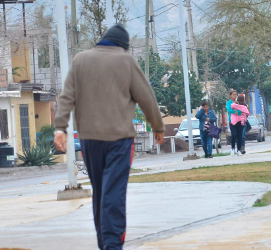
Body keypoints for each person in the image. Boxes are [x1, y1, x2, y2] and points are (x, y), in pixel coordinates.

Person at [53, 24, 165, 250]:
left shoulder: (80, 60)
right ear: (123, 46)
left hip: (89, 140)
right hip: (119, 140)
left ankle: (104, 243)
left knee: (100, 193)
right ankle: (112, 245)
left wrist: (60, 128)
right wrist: (157, 126)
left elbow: (66, 97)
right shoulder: (126, 61)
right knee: (113, 192)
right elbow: (147, 97)